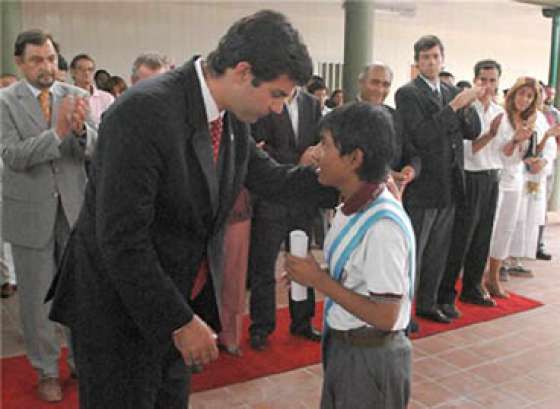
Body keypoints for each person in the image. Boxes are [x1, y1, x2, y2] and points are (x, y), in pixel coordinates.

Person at [47, 10, 336, 409]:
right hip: (118, 310)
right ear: (242, 71)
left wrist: (348, 184)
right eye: (275, 95)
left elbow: (272, 179)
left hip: (177, 299)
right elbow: (121, 239)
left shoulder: (230, 118)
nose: (275, 110)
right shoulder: (144, 111)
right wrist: (178, 322)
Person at [285, 102, 414, 409]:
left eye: (325, 145)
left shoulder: (382, 226)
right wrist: (314, 272)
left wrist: (318, 280)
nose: (315, 152)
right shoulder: (351, 203)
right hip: (347, 345)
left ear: (355, 158)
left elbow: (386, 315)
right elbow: (357, 271)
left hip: (370, 357)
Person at [0, 29, 97, 402]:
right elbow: (13, 156)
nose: (47, 66)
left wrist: (82, 133)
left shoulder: (75, 95)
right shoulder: (6, 101)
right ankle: (45, 370)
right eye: (37, 60)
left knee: (78, 294)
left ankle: (79, 360)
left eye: (52, 58)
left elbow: (97, 147)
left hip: (74, 212)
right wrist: (56, 133)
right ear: (20, 63)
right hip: (29, 214)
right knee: (37, 300)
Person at [395, 35, 481, 324]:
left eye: (435, 56)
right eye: (425, 57)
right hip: (424, 183)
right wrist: (454, 107)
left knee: (439, 251)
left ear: (442, 58)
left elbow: (471, 132)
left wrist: (468, 106)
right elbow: (422, 135)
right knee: (416, 251)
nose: (431, 62)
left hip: (450, 182)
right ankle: (404, 310)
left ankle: (428, 303)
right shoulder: (408, 93)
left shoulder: (450, 90)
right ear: (417, 61)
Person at [248, 85, 323, 350]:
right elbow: (258, 150)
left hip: (302, 196)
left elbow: (320, 141)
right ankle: (261, 327)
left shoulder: (312, 104)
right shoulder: (266, 99)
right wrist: (298, 161)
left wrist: (313, 153)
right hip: (271, 195)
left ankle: (302, 321)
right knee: (263, 264)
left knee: (301, 259)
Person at [438, 59, 506, 313]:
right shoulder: (467, 108)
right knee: (462, 237)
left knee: (483, 235)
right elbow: (470, 151)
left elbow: (503, 150)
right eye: (483, 80)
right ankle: (446, 292)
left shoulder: (499, 110)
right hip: (470, 176)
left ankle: (473, 287)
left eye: (492, 81)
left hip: (492, 175)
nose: (488, 86)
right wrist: (490, 134)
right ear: (475, 80)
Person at [487, 77, 544, 294]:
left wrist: (535, 158)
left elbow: (525, 155)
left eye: (530, 96)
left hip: (517, 179)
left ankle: (494, 276)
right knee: (491, 228)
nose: (525, 99)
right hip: (498, 178)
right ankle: (480, 275)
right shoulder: (501, 117)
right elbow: (500, 152)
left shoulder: (530, 120)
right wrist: (515, 140)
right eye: (522, 93)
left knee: (506, 228)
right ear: (513, 94)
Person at [70, 54, 115, 126]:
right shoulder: (65, 97)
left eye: (90, 69)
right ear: (72, 72)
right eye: (81, 69)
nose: (86, 73)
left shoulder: (107, 98)